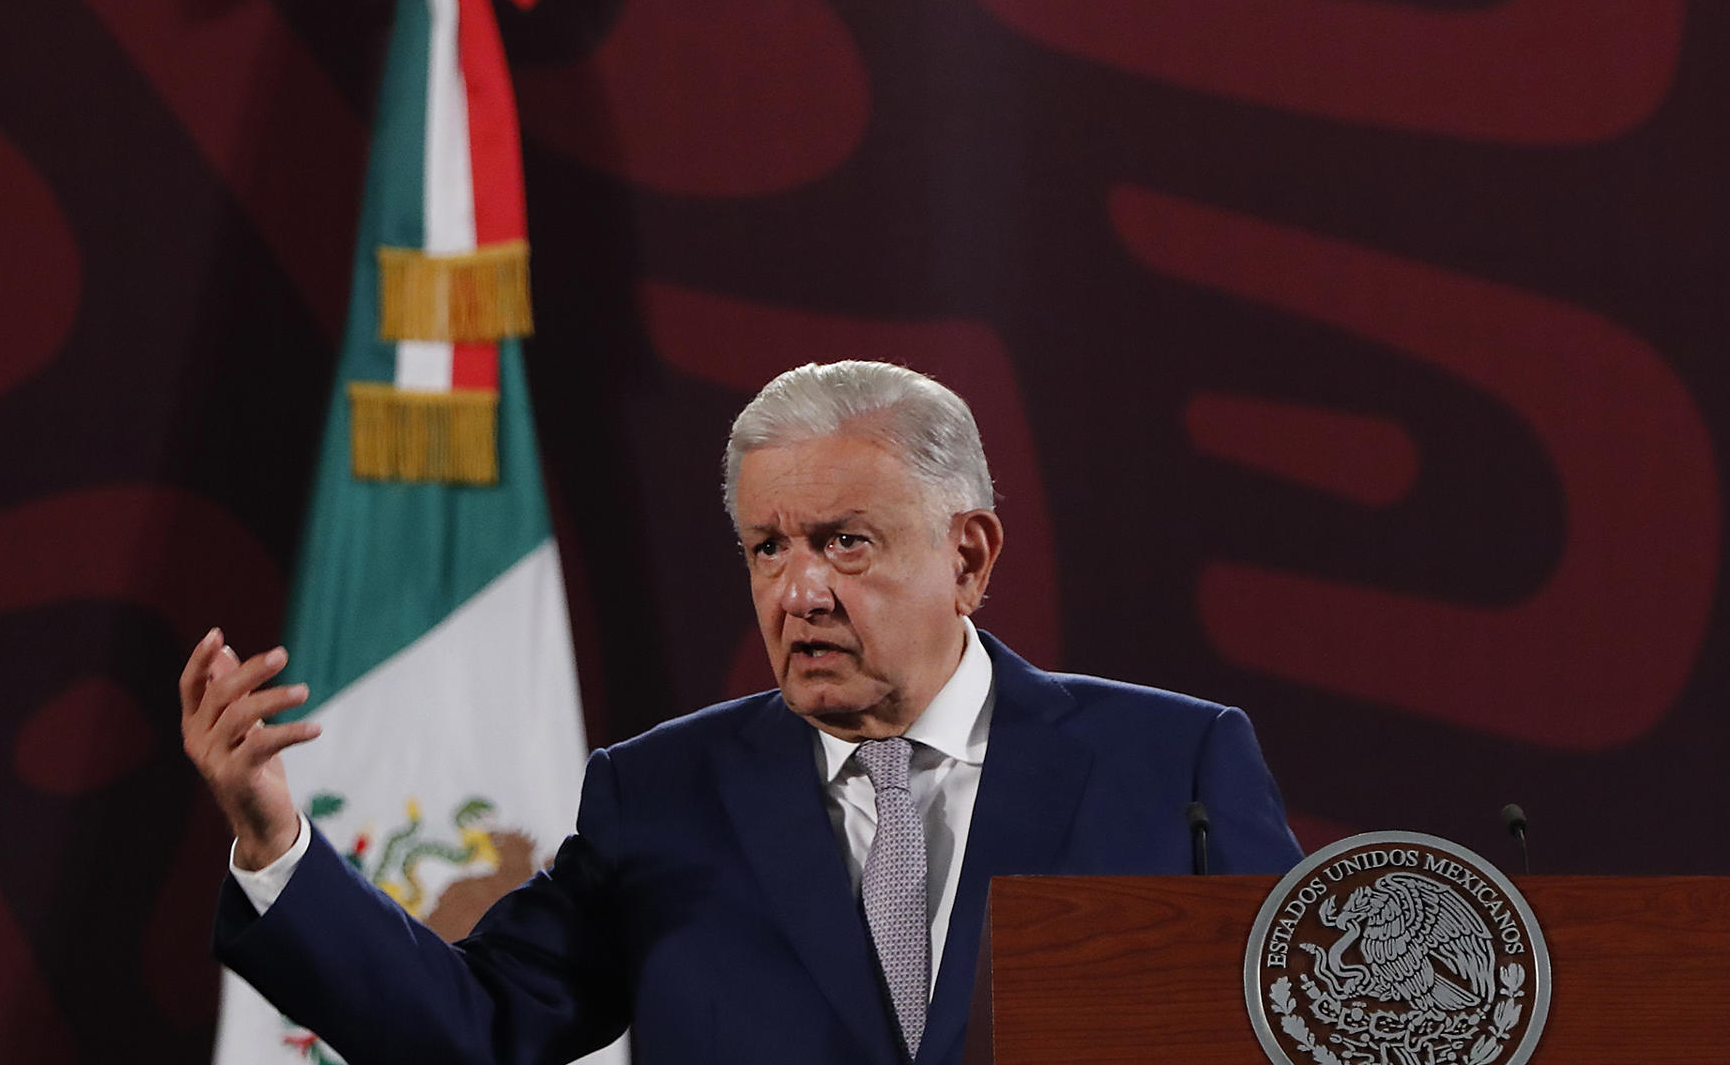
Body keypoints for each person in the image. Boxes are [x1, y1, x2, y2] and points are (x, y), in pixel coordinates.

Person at [182, 360, 1302, 1065]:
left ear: (968, 553)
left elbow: (1306, 1027)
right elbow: (476, 1028)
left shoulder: (1173, 765)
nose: (797, 590)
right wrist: (278, 847)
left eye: (844, 541)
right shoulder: (661, 797)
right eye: (769, 546)